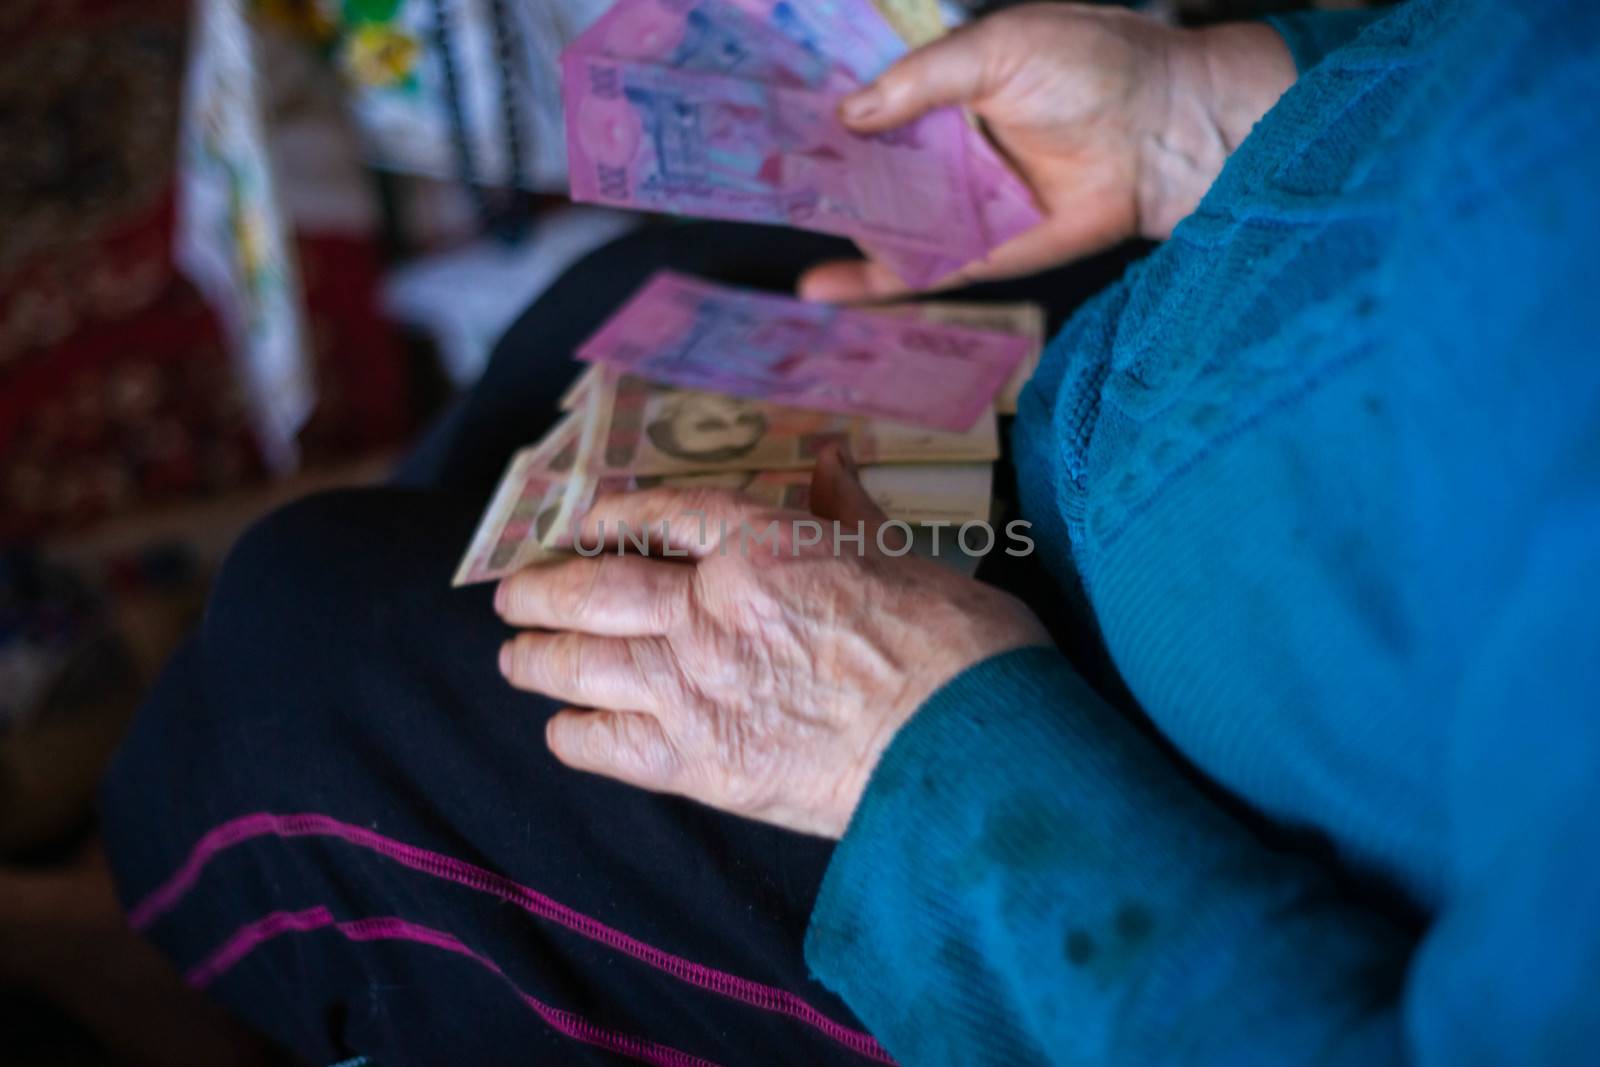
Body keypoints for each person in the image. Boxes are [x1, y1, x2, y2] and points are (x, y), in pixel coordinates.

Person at [4, 0, 1598, 1063]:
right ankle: (198, 811)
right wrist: (1242, 106)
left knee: (313, 665)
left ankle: (163, 946)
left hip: (1142, 848)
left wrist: (940, 754)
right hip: (1213, 351)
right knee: (625, 308)